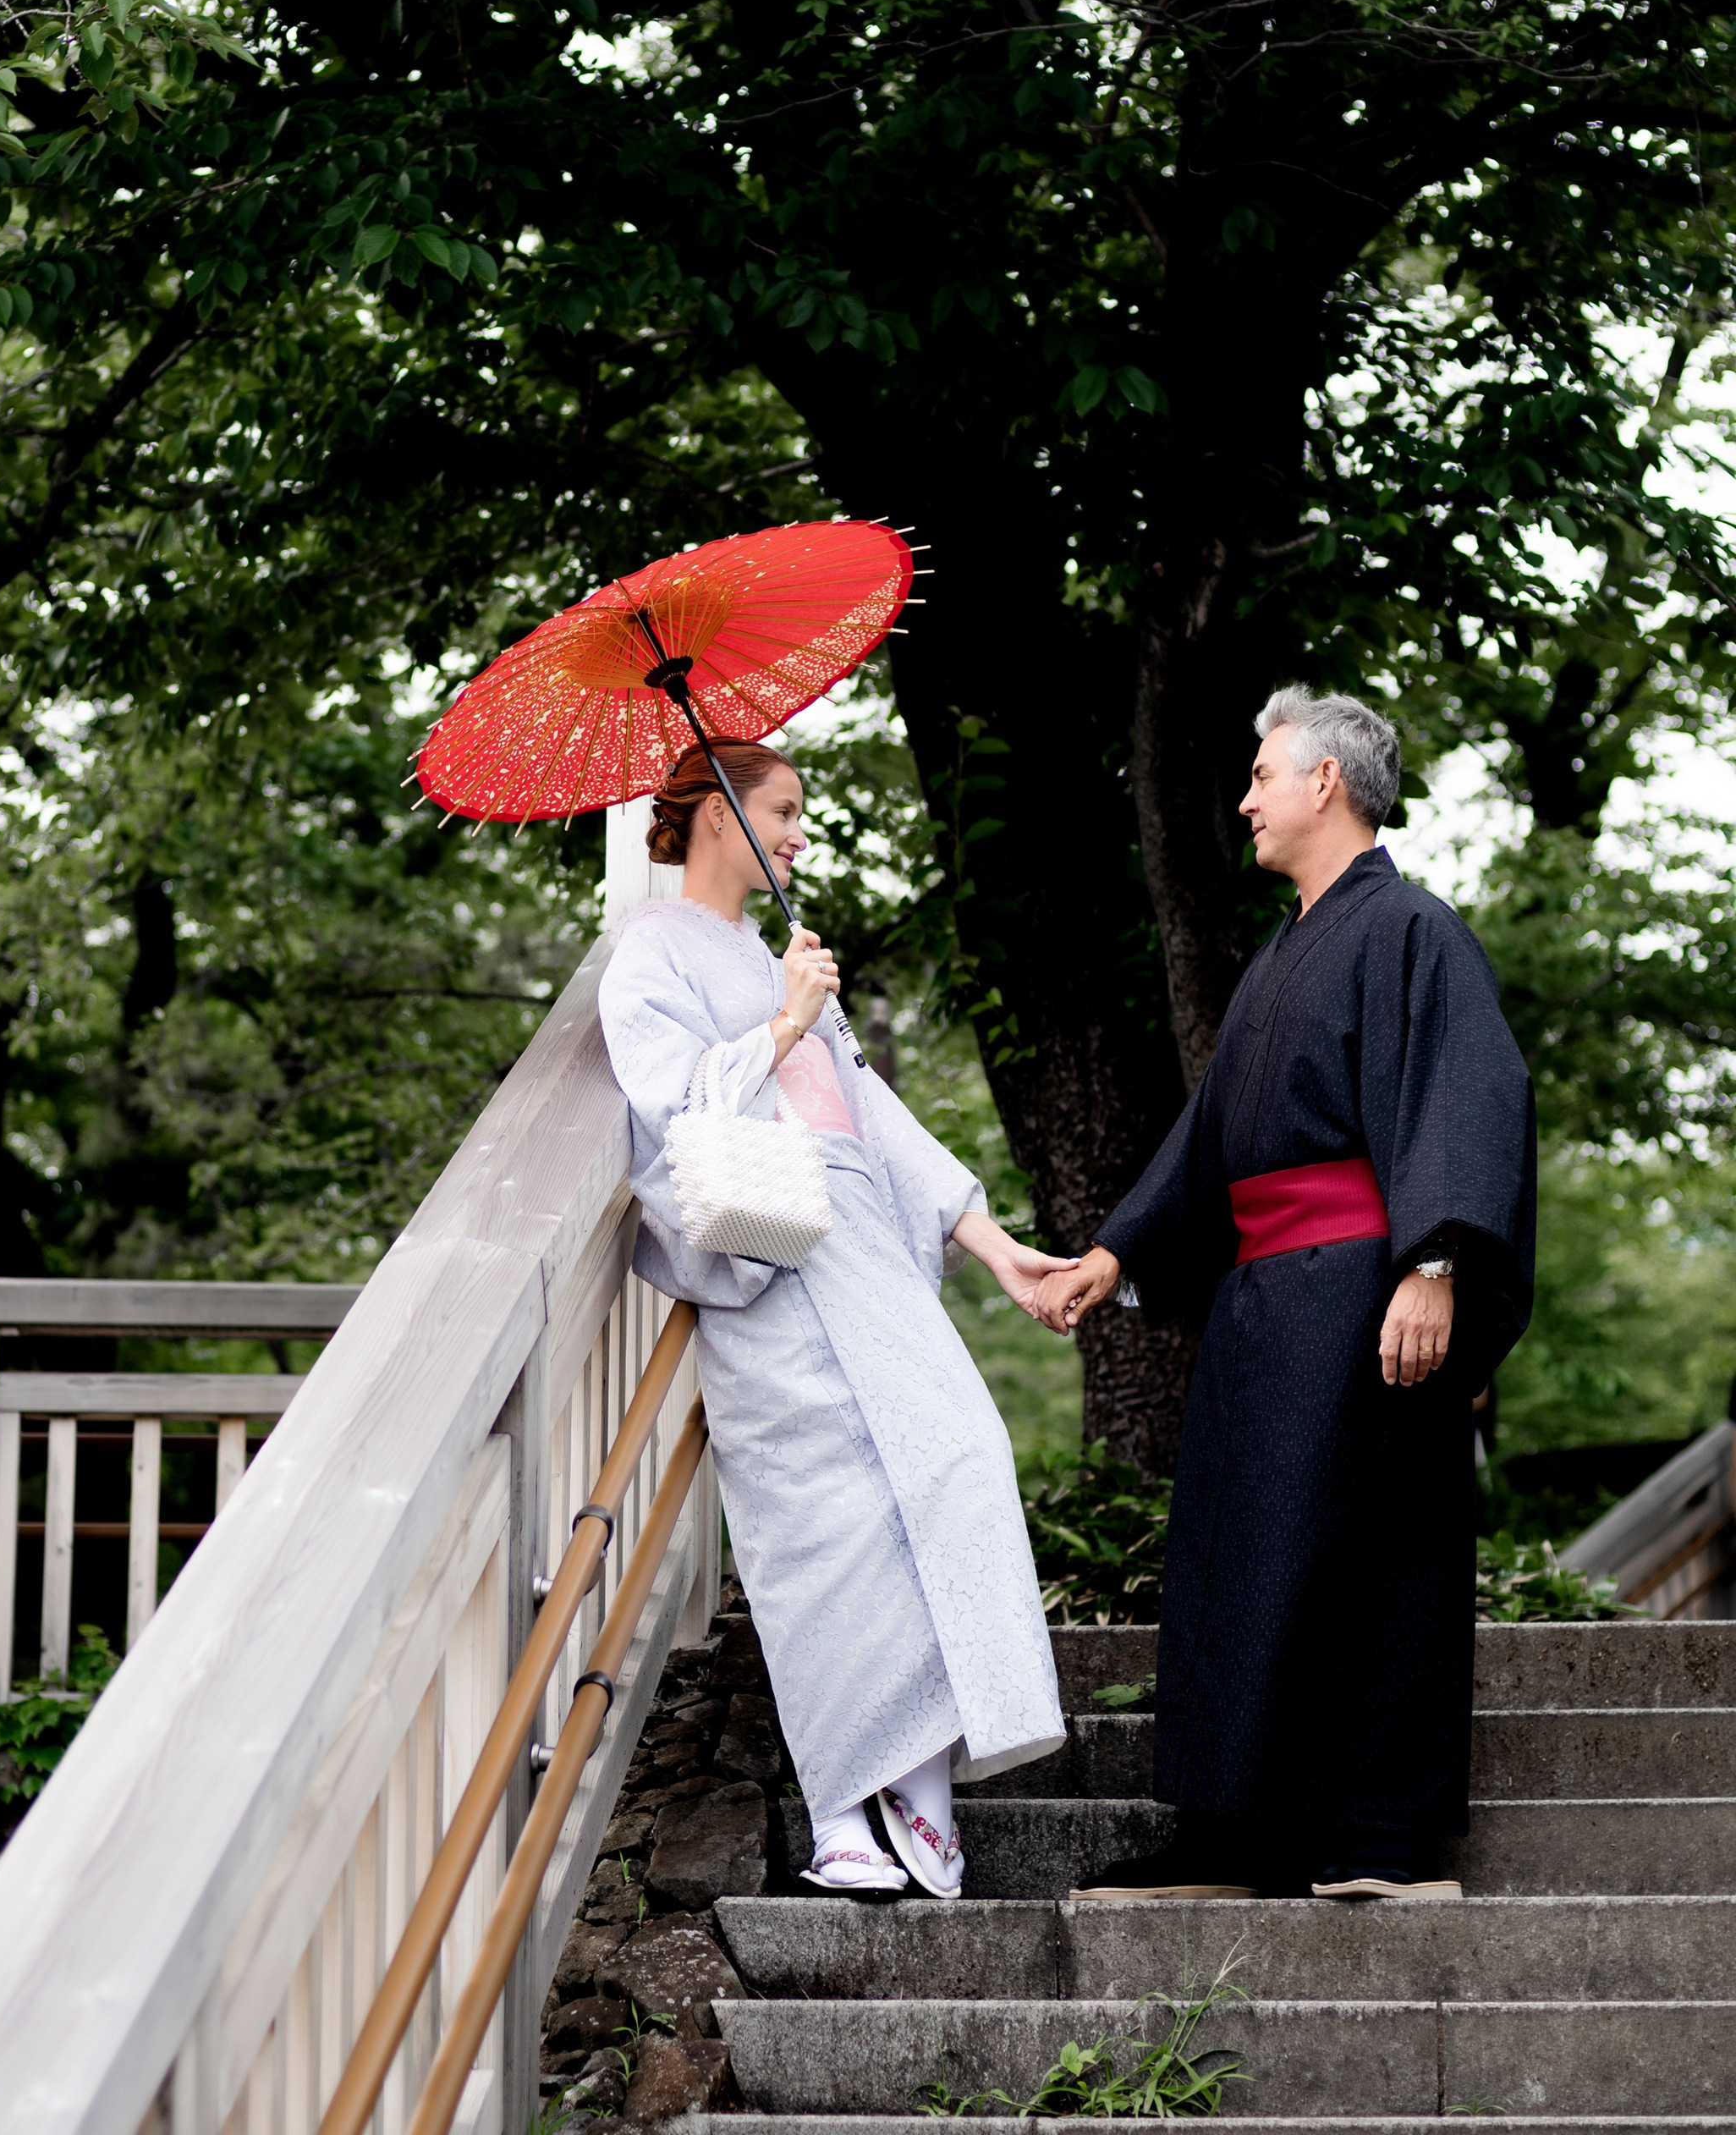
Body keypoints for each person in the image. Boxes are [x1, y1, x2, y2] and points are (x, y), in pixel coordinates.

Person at [1031, 686, 1534, 1902]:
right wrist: (1120, 1251)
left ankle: (1379, 1840)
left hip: (1369, 1294)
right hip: (1264, 1304)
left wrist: (1433, 1265)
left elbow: (1469, 1100)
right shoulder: (1277, 961)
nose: (1246, 797)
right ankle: (1231, 1834)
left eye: (1263, 774)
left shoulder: (1415, 930)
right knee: (1233, 1557)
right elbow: (1213, 1136)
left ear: (1327, 783)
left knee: (1376, 1555)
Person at [599, 739, 1067, 1896]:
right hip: (767, 1244)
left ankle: (925, 1785)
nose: (803, 832)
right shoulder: (650, 953)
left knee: (959, 1456)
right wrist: (782, 1027)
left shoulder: (775, 954)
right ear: (718, 817)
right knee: (823, 1520)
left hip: (858, 1240)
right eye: (786, 810)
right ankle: (848, 1810)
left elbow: (875, 1116)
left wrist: (997, 1248)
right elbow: (666, 1107)